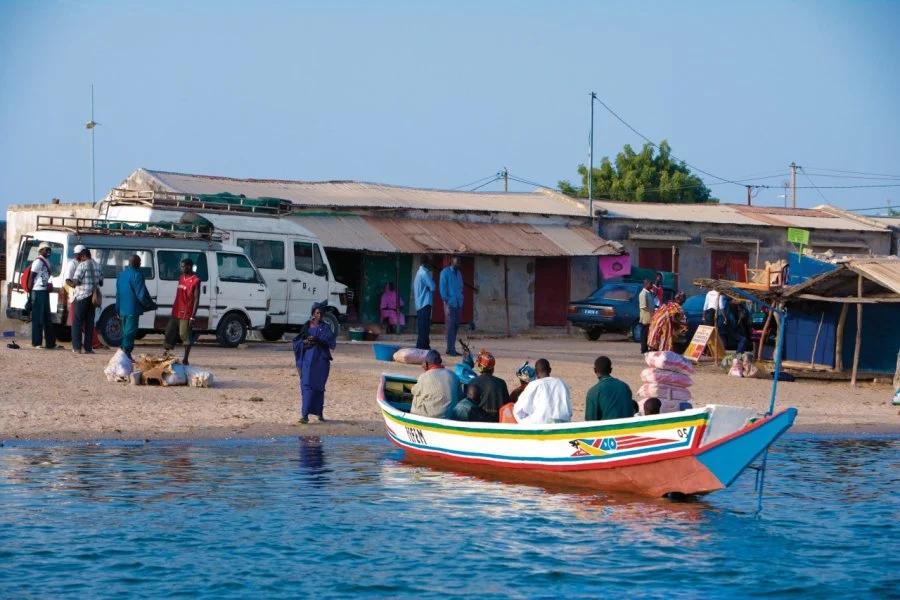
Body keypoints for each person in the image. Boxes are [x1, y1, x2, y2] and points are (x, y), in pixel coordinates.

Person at [292, 301, 337, 424]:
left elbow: (331, 343)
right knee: (306, 386)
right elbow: (296, 342)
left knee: (319, 387)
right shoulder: (306, 326)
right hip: (307, 361)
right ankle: (305, 415)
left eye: (321, 313)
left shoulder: (326, 327)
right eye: (317, 313)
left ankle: (319, 413)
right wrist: (305, 342)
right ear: (313, 313)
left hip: (321, 362)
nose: (319, 315)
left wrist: (318, 340)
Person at [116, 254, 157, 360]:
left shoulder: (121, 275)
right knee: (130, 331)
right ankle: (125, 352)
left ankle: (125, 352)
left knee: (126, 331)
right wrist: (150, 305)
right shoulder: (138, 275)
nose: (141, 264)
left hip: (123, 308)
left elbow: (118, 294)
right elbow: (141, 294)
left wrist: (117, 308)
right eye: (139, 262)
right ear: (135, 263)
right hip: (133, 308)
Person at [163, 258, 200, 365]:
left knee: (184, 335)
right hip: (176, 311)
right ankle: (166, 353)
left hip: (186, 313)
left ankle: (186, 358)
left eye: (183, 266)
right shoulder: (180, 278)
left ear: (189, 266)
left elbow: (197, 299)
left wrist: (193, 316)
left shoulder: (196, 280)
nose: (182, 268)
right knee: (169, 331)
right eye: (181, 266)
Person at [513, 358, 572, 424]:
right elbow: (569, 411)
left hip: (540, 424)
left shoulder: (534, 385)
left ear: (535, 371)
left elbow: (518, 410)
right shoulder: (561, 383)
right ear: (550, 370)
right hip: (562, 423)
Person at [69, 249, 103, 354]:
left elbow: (76, 281)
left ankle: (77, 347)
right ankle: (88, 348)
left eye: (80, 257)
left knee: (77, 322)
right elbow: (101, 282)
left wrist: (70, 283)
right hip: (93, 297)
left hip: (83, 296)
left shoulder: (82, 266)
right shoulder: (98, 266)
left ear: (83, 256)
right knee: (89, 323)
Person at [410, 350, 461, 419]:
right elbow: (460, 396)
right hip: (449, 416)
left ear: (426, 363)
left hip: (430, 416)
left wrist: (426, 372)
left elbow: (413, 391)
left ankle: (413, 417)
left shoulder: (424, 377)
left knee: (417, 395)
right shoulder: (453, 375)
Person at [585, 356, 636, 421]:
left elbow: (590, 421)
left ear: (595, 370)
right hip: (628, 428)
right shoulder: (625, 386)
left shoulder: (593, 392)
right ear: (611, 370)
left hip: (608, 429)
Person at [28, 241, 58, 349]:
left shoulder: (47, 261)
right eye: (46, 249)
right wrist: (29, 294)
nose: (48, 251)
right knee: (37, 318)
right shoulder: (38, 262)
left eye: (49, 249)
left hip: (45, 291)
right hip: (38, 291)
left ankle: (50, 343)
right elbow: (31, 277)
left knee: (47, 318)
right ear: (41, 251)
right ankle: (36, 342)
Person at [470, 349, 510, 422]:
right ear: (493, 368)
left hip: (478, 421)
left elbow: (468, 404)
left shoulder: (473, 382)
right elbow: (507, 405)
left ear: (479, 366)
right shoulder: (501, 383)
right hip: (497, 421)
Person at [439, 256, 464, 356]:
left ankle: (452, 348)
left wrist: (461, 297)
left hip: (458, 303)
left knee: (456, 325)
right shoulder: (445, 273)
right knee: (450, 326)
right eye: (457, 261)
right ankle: (450, 349)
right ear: (452, 261)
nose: (459, 263)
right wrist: (447, 300)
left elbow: (461, 286)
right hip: (450, 303)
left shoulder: (459, 274)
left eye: (460, 261)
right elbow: (442, 289)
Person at [413, 255, 435, 350]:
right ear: (427, 263)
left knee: (422, 326)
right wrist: (429, 287)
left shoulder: (419, 272)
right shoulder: (424, 273)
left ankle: (422, 345)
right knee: (424, 326)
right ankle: (423, 346)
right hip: (424, 302)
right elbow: (433, 287)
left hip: (419, 303)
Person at [638, 279, 656, 354]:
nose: (652, 286)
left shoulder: (649, 293)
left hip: (651, 317)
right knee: (644, 333)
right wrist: (651, 312)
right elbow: (643, 306)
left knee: (649, 333)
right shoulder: (643, 294)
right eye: (650, 284)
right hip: (646, 317)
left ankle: (648, 347)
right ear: (646, 284)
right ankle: (643, 348)